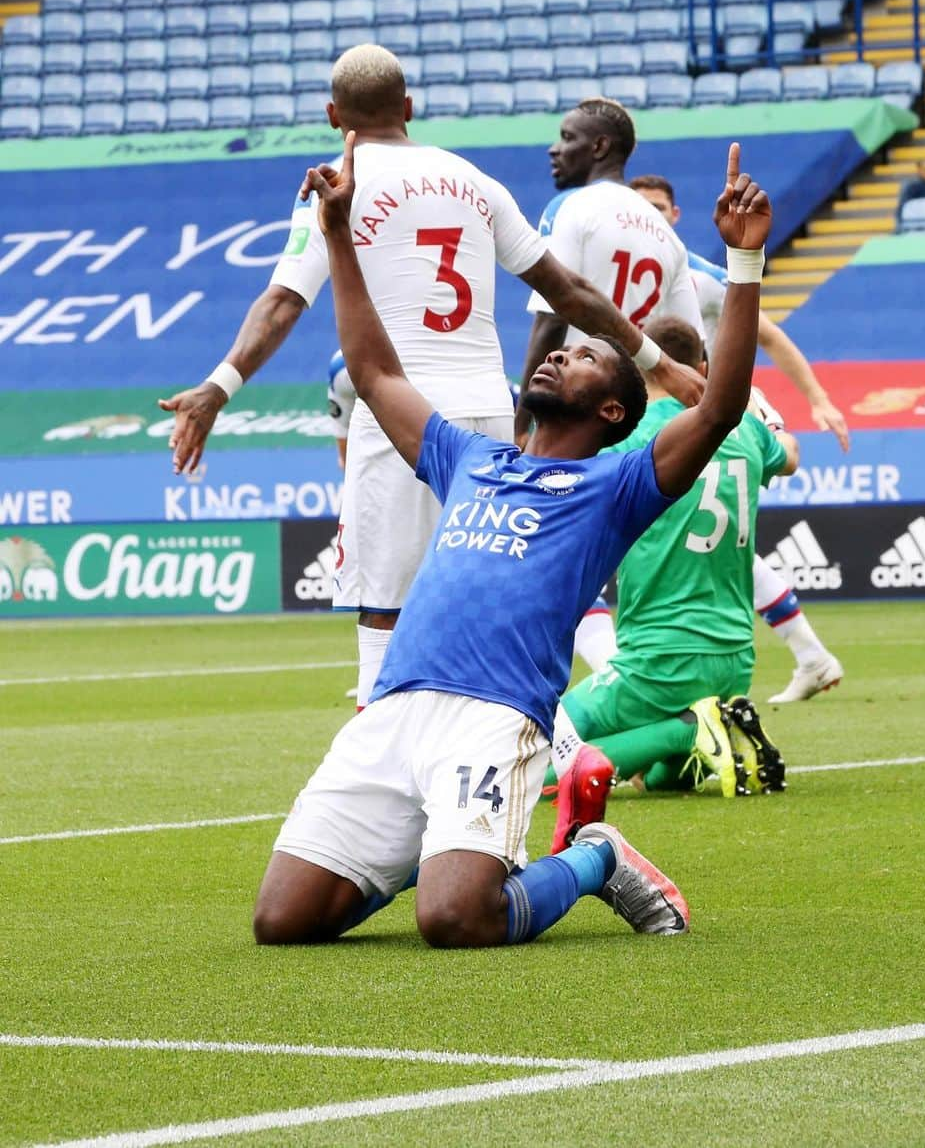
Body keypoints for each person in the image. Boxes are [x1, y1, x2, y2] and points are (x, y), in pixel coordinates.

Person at [252, 136, 771, 948]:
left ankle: (593, 854)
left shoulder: (616, 487)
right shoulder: (470, 455)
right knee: (282, 920)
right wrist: (339, 234)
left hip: (495, 718)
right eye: (563, 345)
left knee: (456, 919)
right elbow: (375, 369)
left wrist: (743, 265)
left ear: (611, 414)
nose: (563, 350)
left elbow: (718, 408)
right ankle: (433, 848)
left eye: (589, 356)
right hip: (396, 708)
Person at [159, 46, 702, 711]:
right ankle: (548, 752)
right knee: (484, 607)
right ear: (409, 107)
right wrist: (657, 361)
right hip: (489, 422)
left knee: (384, 617)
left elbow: (282, 301)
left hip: (403, 419)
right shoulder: (474, 181)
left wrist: (219, 386)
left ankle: (376, 779)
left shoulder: (336, 185)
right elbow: (571, 292)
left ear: (334, 116)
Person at [547, 317, 798, 852]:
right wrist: (764, 418)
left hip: (659, 659)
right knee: (663, 780)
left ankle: (692, 726)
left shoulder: (632, 437)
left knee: (544, 748)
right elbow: (791, 456)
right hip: (734, 658)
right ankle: (706, 728)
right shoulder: (744, 429)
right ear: (699, 370)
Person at [622, 173, 844, 703]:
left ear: (675, 216)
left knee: (694, 534)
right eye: (639, 208)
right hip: (654, 412)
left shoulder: (696, 275)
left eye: (658, 207)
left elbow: (767, 333)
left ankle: (626, 675)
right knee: (702, 539)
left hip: (715, 409)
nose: (649, 217)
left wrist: (817, 397)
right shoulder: (619, 272)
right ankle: (810, 654)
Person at [513, 98, 707, 675]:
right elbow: (691, 344)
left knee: (540, 563)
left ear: (599, 147)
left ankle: (595, 689)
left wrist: (525, 419)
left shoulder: (572, 208)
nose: (555, 147)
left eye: (567, 136)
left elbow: (552, 314)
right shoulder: (668, 239)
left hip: (572, 414)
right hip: (632, 414)